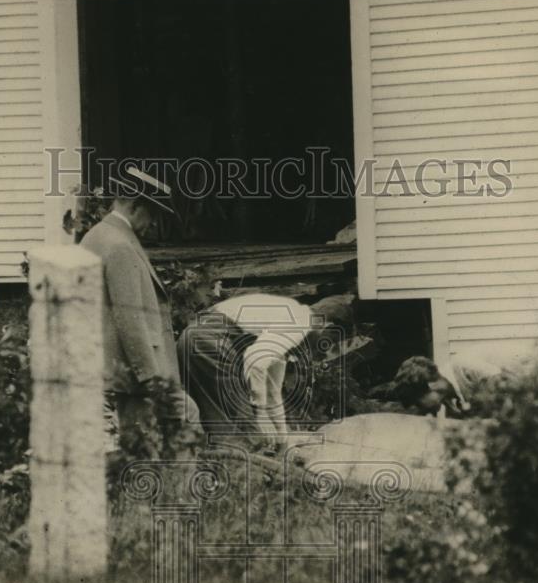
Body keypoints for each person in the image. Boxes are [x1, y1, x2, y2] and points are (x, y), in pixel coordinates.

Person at [79, 166, 197, 451]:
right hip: (136, 373)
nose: (154, 225)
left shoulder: (96, 236)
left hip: (120, 369)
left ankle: (152, 489)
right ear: (134, 206)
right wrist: (150, 379)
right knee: (185, 419)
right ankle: (182, 490)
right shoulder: (120, 246)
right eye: (153, 215)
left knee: (142, 444)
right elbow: (129, 317)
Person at [177, 292, 354, 447]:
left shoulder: (286, 323)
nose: (324, 354)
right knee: (244, 430)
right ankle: (238, 473)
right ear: (327, 327)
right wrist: (260, 414)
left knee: (215, 421)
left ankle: (218, 468)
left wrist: (283, 440)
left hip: (193, 339)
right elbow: (256, 361)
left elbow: (272, 394)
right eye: (329, 345)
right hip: (209, 342)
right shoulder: (300, 323)